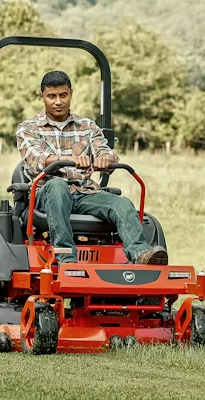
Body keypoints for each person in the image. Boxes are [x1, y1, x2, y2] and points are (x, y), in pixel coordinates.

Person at [15, 70, 168, 265]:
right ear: (42, 97)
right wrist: (70, 159)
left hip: (84, 193)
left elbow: (104, 151)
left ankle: (141, 254)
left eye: (63, 95)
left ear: (71, 94)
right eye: (52, 96)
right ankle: (66, 259)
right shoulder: (28, 128)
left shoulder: (87, 126)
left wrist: (105, 159)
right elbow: (35, 157)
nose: (58, 102)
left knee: (121, 204)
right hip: (46, 193)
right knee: (57, 187)